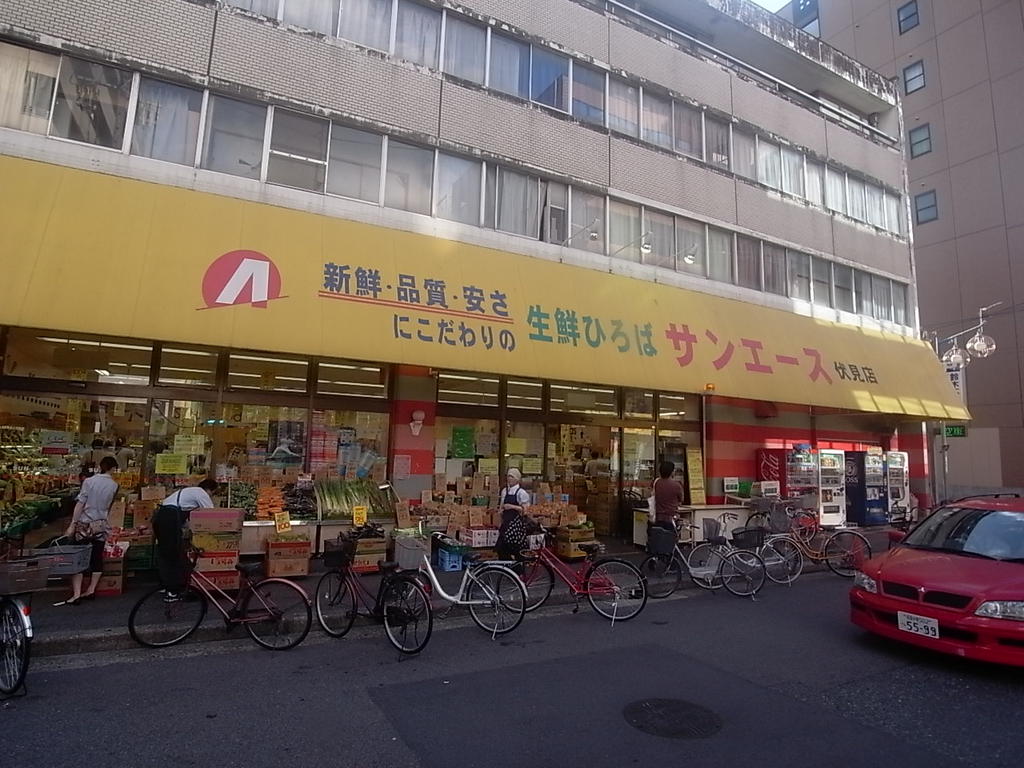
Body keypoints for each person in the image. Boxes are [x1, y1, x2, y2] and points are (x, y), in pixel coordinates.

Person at [56, 455, 119, 605]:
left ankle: (77, 594)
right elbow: (109, 507)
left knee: (78, 557)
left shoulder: (89, 482)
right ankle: (91, 590)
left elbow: (80, 504)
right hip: (100, 524)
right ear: (113, 469)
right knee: (97, 557)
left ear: (100, 466)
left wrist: (73, 524)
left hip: (85, 524)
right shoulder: (114, 485)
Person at [153, 478, 218, 600]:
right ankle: (173, 591)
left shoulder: (189, 491)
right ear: (209, 490)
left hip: (161, 516)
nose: (211, 496)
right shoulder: (201, 492)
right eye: (212, 493)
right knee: (174, 553)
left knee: (165, 552)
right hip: (170, 517)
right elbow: (210, 513)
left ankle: (166, 585)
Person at [495, 468, 531, 558]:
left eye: (512, 477)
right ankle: (505, 566)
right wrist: (500, 518)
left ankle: (517, 566)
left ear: (517, 479)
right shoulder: (504, 491)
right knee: (502, 549)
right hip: (506, 524)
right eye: (508, 476)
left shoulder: (521, 493)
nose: (509, 478)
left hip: (516, 525)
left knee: (516, 549)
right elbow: (501, 507)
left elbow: (525, 511)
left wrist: (512, 507)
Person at [652, 461, 685, 531]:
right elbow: (681, 499)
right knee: (670, 536)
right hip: (671, 518)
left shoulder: (657, 483)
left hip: (659, 517)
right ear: (671, 472)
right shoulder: (676, 485)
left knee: (660, 535)